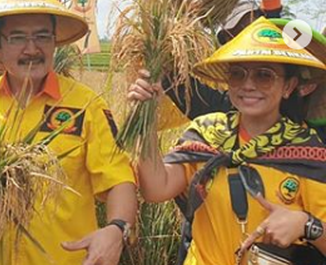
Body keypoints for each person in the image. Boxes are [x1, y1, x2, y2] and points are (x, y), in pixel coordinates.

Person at [0, 0, 137, 265]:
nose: (32, 49)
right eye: (18, 37)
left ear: (55, 41)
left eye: (43, 37)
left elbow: (119, 179)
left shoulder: (85, 106)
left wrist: (116, 229)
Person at [130, 17, 326, 265]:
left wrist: (306, 225)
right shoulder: (206, 131)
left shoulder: (307, 150)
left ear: (289, 86)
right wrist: (146, 122)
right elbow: (156, 188)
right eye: (237, 74)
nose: (248, 85)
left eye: (264, 76)